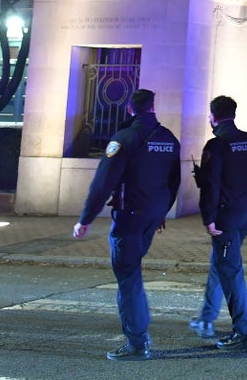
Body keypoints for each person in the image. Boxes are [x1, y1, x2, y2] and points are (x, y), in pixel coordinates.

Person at [73, 88, 180, 362]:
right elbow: (174, 181)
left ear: (130, 109)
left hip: (130, 217)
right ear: (153, 107)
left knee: (128, 277)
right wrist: (161, 213)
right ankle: (139, 330)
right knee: (132, 272)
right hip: (152, 216)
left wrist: (85, 219)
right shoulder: (169, 138)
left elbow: (102, 184)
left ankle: (137, 342)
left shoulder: (123, 139)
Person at [194, 95, 247, 351]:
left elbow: (210, 186)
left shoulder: (216, 145)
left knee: (231, 270)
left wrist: (208, 218)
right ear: (234, 114)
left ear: (213, 117)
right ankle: (206, 318)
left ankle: (244, 333)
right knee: (222, 261)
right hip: (246, 214)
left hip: (226, 216)